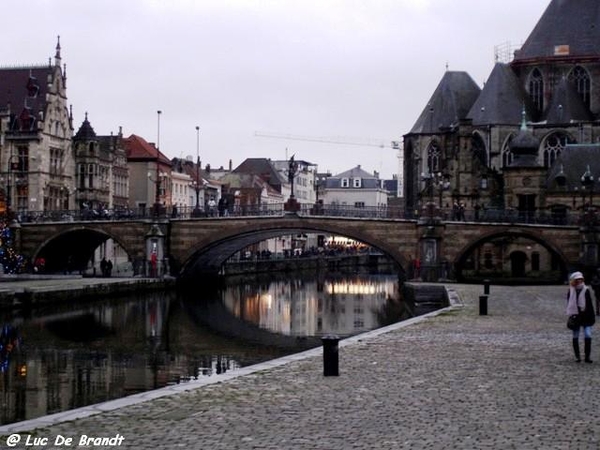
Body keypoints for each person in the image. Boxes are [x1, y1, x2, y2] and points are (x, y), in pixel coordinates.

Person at [566, 271, 595, 363]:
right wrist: (572, 314)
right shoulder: (571, 290)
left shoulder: (586, 290)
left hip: (586, 316)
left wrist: (592, 317)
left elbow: (590, 305)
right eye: (577, 279)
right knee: (575, 336)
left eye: (580, 279)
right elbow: (569, 304)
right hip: (576, 316)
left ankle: (587, 356)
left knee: (588, 335)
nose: (579, 281)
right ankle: (577, 356)